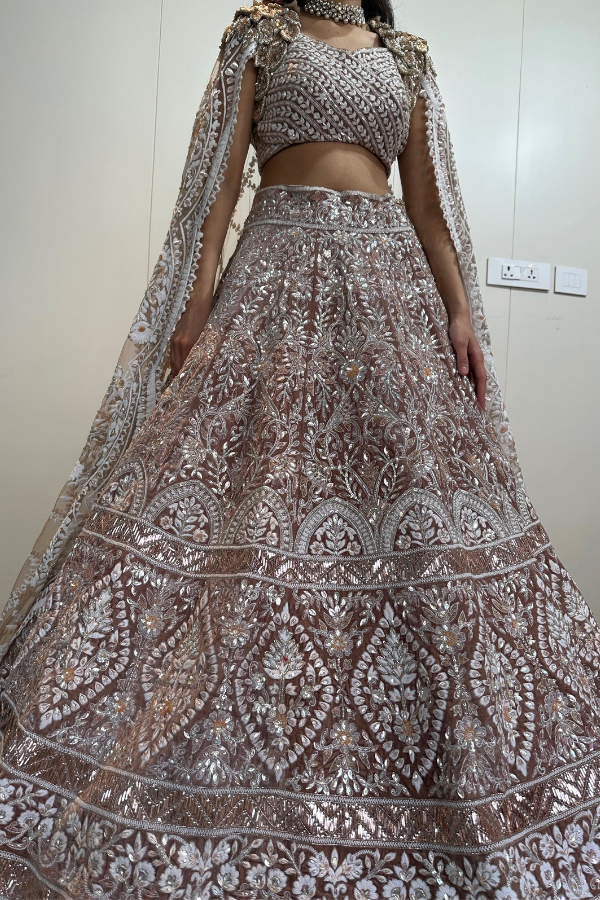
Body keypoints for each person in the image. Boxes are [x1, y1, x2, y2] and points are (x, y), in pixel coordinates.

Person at [0, 0, 599, 896]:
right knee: (249, 490)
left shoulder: (406, 56)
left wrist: (460, 312)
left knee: (410, 508)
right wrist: (196, 302)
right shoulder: (260, 35)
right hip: (273, 278)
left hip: (388, 291)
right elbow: (216, 190)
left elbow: (428, 207)